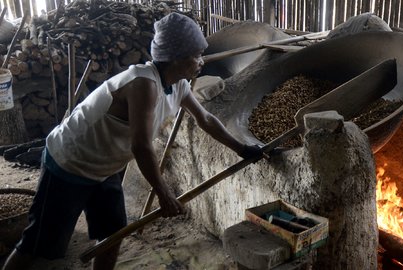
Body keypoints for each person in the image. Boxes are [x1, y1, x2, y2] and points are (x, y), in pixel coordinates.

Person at [2, 12, 262, 270]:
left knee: (113, 234)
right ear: (176, 58)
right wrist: (164, 194)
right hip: (70, 163)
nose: (201, 61)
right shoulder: (143, 84)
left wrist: (243, 149)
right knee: (38, 245)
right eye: (196, 55)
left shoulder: (179, 84)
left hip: (104, 169)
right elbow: (141, 146)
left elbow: (205, 119)